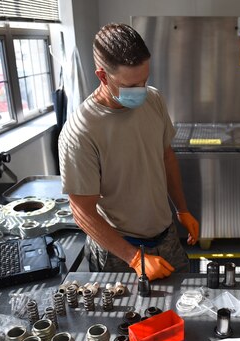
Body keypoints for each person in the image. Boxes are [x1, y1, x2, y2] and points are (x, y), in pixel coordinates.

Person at [58, 23, 199, 280]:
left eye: (144, 80)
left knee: (184, 307)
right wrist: (134, 257)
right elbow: (82, 211)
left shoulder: (153, 100)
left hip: (165, 236)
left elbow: (166, 156)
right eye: (131, 85)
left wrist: (182, 209)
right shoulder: (81, 131)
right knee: (128, 317)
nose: (141, 91)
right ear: (102, 76)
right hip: (119, 250)